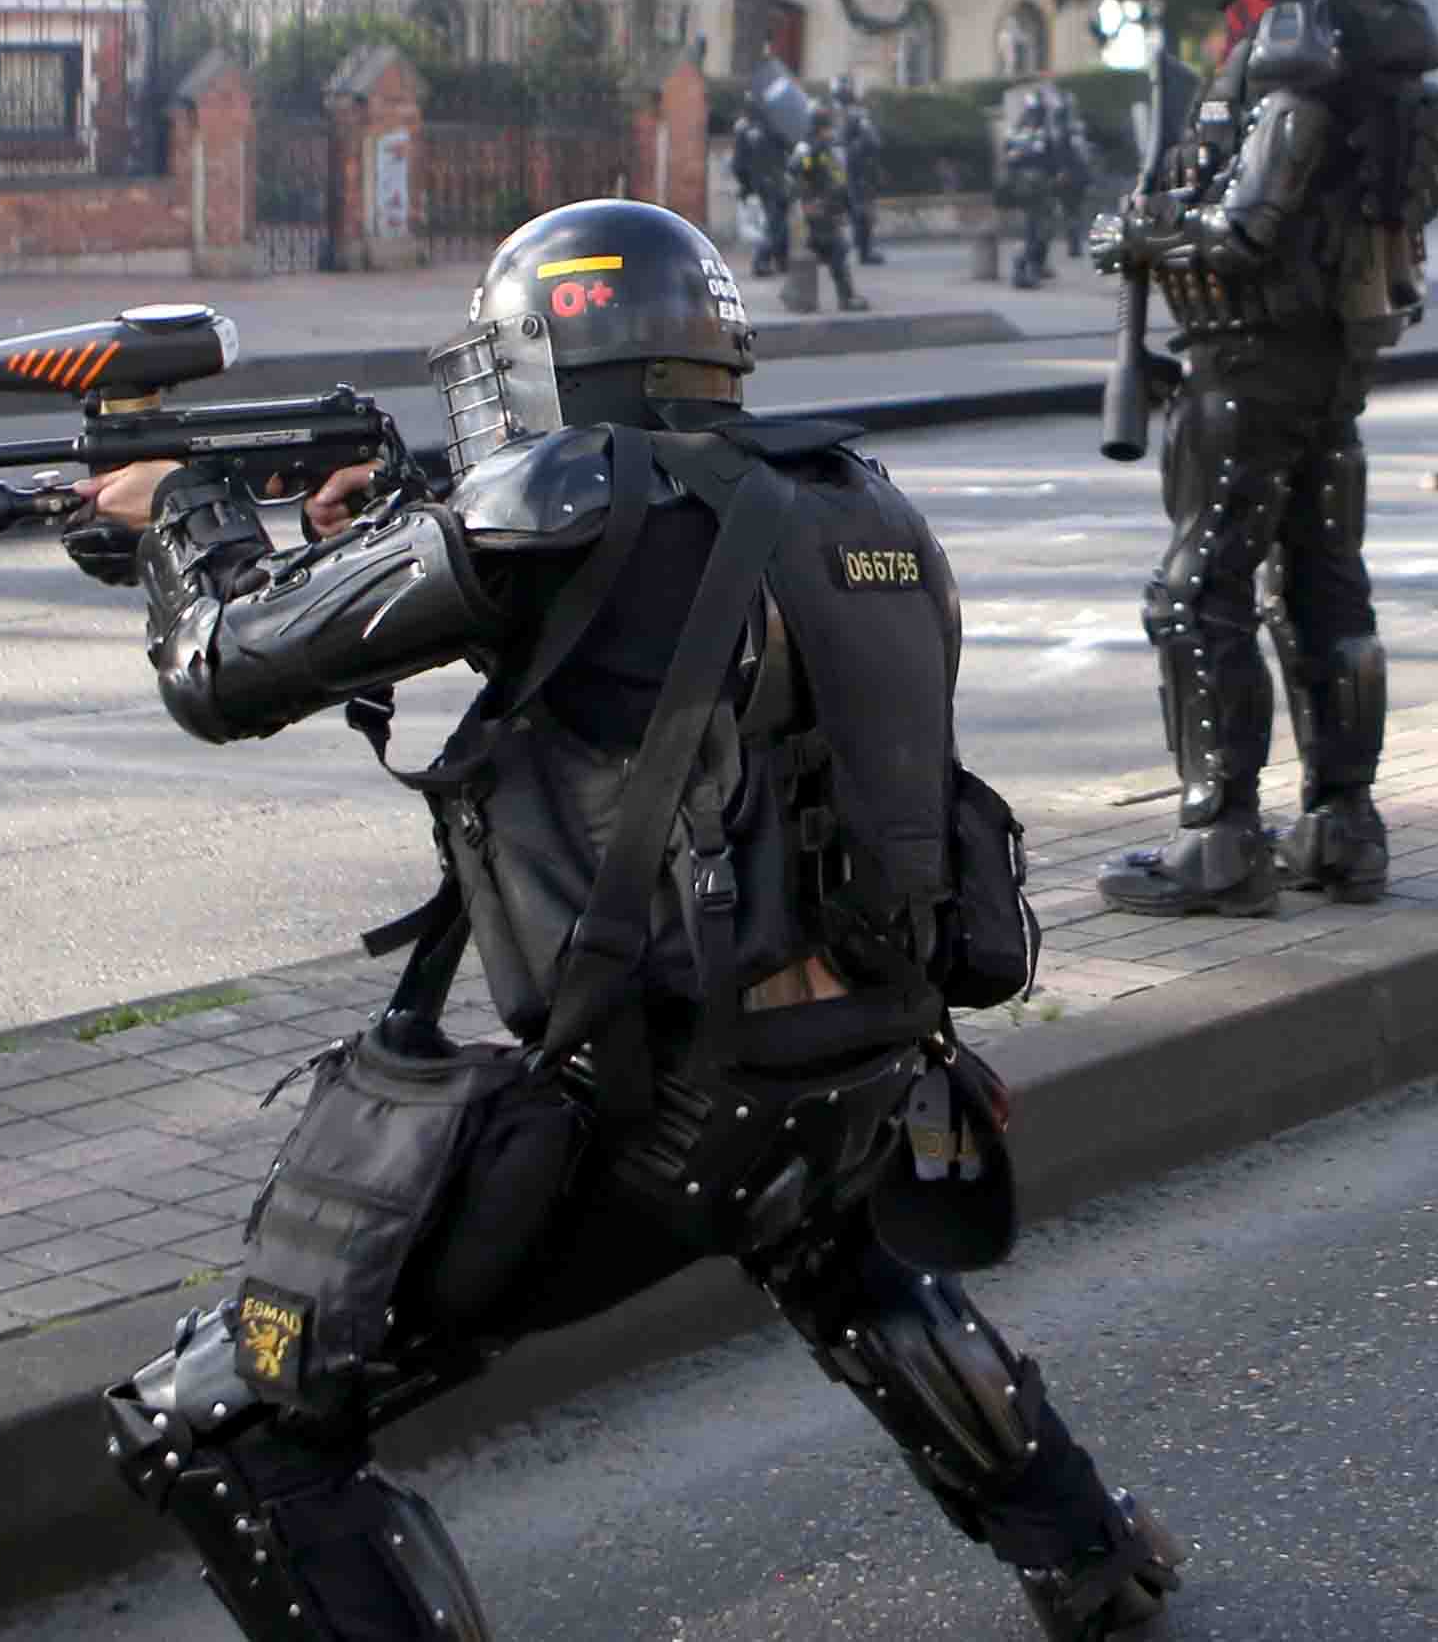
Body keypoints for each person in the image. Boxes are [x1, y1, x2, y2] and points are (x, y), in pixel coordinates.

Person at [61, 198, 1185, 1642]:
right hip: (862, 1067)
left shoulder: (556, 510)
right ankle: (1094, 1558)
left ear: (547, 353)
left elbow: (224, 667)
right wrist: (388, 514)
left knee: (213, 1418)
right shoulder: (861, 502)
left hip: (655, 1113)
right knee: (835, 1248)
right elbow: (643, 630)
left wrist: (184, 516)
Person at [1086, 0, 1438, 916]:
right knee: (1321, 583)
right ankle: (1344, 826)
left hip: (1246, 362)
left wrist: (1141, 239)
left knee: (1194, 593)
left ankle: (1219, 840)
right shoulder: (1387, 37)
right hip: (1331, 362)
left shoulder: (1300, 39)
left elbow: (1245, 229)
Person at [789, 100, 872, 310]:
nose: (831, 131)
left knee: (817, 249)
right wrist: (814, 152)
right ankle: (846, 298)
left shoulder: (828, 147)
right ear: (820, 128)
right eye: (828, 127)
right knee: (837, 249)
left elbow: (835, 177)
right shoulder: (809, 146)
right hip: (817, 208)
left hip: (829, 207)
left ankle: (793, 293)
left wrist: (846, 204)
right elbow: (797, 167)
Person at [1001, 93, 1064, 289]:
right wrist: (1055, 175)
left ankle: (1029, 268)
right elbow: (1051, 158)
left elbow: (1009, 157)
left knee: (1029, 228)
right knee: (1039, 229)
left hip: (1020, 185)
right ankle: (1028, 270)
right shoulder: (1042, 131)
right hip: (1038, 186)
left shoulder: (1016, 130)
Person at [729, 109, 792, 277]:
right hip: (776, 181)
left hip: (759, 182)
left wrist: (747, 185)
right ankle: (763, 261)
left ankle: (780, 259)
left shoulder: (744, 129)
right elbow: (789, 148)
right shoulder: (777, 125)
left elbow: (738, 164)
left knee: (776, 221)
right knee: (776, 222)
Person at [831, 73, 887, 264]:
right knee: (856, 210)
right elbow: (872, 141)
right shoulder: (846, 114)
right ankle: (860, 249)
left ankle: (862, 249)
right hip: (848, 171)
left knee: (858, 210)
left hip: (851, 170)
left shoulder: (850, 114)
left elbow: (871, 140)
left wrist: (850, 153)